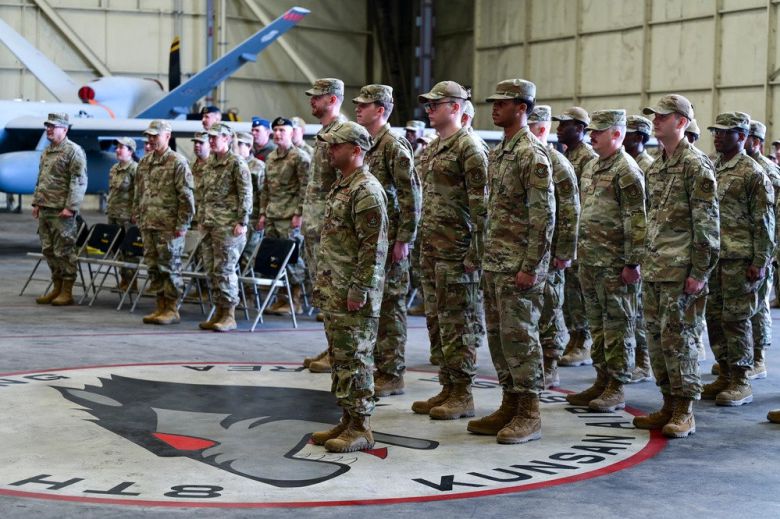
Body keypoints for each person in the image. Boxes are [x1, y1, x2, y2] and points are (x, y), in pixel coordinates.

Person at [465, 79, 554, 444]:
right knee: (501, 340)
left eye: (502, 102)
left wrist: (531, 267)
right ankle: (510, 403)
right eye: (494, 101)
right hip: (496, 262)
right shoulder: (501, 152)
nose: (494, 107)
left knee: (521, 339)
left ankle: (529, 412)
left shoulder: (531, 154)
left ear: (522, 107)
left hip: (519, 265)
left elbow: (543, 218)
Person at [634, 94, 719, 438]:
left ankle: (685, 410)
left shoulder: (696, 165)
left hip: (682, 272)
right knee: (656, 341)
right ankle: (668, 403)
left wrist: (699, 272)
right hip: (656, 270)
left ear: (681, 122)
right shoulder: (657, 166)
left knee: (680, 341)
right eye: (654, 116)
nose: (656, 121)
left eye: (663, 117)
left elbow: (708, 226)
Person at [411, 81, 488, 420]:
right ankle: (447, 385)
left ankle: (463, 393)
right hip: (432, 251)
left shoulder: (470, 148)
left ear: (455, 108)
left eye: (435, 104)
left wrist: (475, 254)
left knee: (460, 324)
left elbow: (483, 208)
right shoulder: (432, 149)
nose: (429, 109)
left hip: (458, 255)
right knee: (438, 323)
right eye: (427, 105)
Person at [310, 121, 388, 453]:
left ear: (356, 150)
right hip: (336, 289)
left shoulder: (366, 190)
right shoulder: (343, 185)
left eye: (336, 145)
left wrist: (360, 289)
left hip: (353, 293)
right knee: (342, 359)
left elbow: (374, 248)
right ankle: (347, 418)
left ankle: (361, 427)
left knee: (356, 358)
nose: (330, 150)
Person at [565, 110, 646, 412]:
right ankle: (602, 379)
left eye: (599, 131)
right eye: (591, 131)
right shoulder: (592, 167)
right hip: (590, 261)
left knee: (618, 326)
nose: (592, 136)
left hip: (615, 265)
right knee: (597, 325)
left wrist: (633, 262)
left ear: (617, 134)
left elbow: (637, 221)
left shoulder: (627, 170)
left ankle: (617, 386)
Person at [702, 112, 774, 407]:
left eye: (724, 132)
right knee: (715, 318)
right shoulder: (714, 167)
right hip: (715, 258)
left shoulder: (752, 172)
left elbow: (764, 221)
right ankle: (725, 373)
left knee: (737, 320)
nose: (717, 136)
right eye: (716, 132)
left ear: (741, 137)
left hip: (739, 260)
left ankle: (741, 380)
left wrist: (760, 260)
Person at [353, 84, 421, 397]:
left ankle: (392, 373)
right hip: (371, 241)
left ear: (380, 110)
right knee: (373, 307)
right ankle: (378, 367)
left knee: (391, 307)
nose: (358, 108)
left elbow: (411, 195)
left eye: (364, 105)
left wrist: (404, 239)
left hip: (391, 241)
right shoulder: (367, 144)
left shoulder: (394, 145)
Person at [527, 105, 580, 389]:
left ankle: (550, 364)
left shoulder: (557, 162)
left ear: (542, 129)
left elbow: (571, 211)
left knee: (549, 307)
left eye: (533, 127)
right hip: (524, 251)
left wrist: (564, 252)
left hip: (549, 253)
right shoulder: (521, 157)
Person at [303, 78, 347, 372]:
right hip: (316, 225)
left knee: (335, 290)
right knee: (323, 291)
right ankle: (332, 345)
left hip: (331, 227)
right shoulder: (324, 134)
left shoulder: (343, 134)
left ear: (332, 100)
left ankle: (341, 352)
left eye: (317, 97)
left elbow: (346, 180)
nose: (312, 101)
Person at [133, 120, 195, 325]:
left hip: (169, 226)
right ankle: (159, 306)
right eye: (149, 136)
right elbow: (138, 191)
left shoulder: (177, 162)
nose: (151, 139)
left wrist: (182, 225)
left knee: (169, 267)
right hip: (148, 223)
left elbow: (186, 197)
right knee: (153, 267)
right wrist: (138, 214)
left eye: (155, 136)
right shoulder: (145, 162)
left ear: (167, 136)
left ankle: (171, 308)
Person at [197, 123, 253, 332]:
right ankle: (218, 311)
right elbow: (204, 193)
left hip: (229, 226)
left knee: (225, 269)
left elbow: (246, 193)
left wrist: (242, 221)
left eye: (215, 137)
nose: (211, 141)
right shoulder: (210, 162)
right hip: (210, 224)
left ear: (228, 139)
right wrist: (201, 217)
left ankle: (229, 314)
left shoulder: (236, 163)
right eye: (209, 138)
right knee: (212, 270)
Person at [554, 107, 597, 367]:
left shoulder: (587, 159)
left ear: (580, 128)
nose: (559, 128)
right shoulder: (568, 155)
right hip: (566, 234)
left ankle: (583, 340)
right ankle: (574, 336)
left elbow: (584, 203)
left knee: (578, 293)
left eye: (565, 124)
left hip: (580, 237)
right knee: (569, 292)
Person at [32, 112, 87, 306]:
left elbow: (78, 181)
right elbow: (41, 179)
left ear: (64, 129)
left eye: (52, 126)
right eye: (47, 126)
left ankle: (67, 290)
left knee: (64, 250)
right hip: (46, 208)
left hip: (62, 211)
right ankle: (56, 286)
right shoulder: (47, 151)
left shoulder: (73, 151)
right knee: (48, 250)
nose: (48, 129)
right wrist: (37, 203)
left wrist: (71, 207)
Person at [259, 117, 311, 315]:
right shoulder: (271, 158)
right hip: (273, 214)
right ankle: (281, 298)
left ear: (291, 133)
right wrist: (263, 213)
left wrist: (299, 214)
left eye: (282, 130)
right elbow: (265, 189)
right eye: (276, 130)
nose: (278, 134)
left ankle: (293, 300)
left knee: (293, 259)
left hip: (290, 217)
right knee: (276, 259)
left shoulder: (300, 157)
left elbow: (306, 188)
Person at [745, 120, 780, 380]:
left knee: (759, 306)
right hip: (742, 245)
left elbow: (772, 215)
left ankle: (758, 358)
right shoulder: (734, 167)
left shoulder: (767, 170)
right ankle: (743, 356)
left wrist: (767, 253)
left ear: (756, 142)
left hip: (765, 246)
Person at [623, 115, 655, 384]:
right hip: (625, 247)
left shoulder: (646, 167)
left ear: (640, 138)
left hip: (643, 249)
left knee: (640, 309)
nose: (623, 135)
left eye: (629, 132)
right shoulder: (626, 163)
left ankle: (643, 363)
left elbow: (648, 214)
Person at [107, 137, 138, 291]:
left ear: (130, 151)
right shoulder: (114, 169)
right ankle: (124, 280)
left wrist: (136, 212)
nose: (117, 150)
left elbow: (140, 194)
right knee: (117, 249)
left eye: (121, 147)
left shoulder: (135, 169)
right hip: (113, 215)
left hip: (128, 217)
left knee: (129, 251)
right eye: (117, 147)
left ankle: (132, 282)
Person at [235, 131, 266, 270]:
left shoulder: (258, 166)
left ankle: (248, 291)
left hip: (253, 218)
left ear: (248, 146)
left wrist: (262, 215)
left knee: (248, 257)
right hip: (234, 217)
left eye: (239, 144)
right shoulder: (233, 164)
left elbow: (264, 193)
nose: (235, 147)